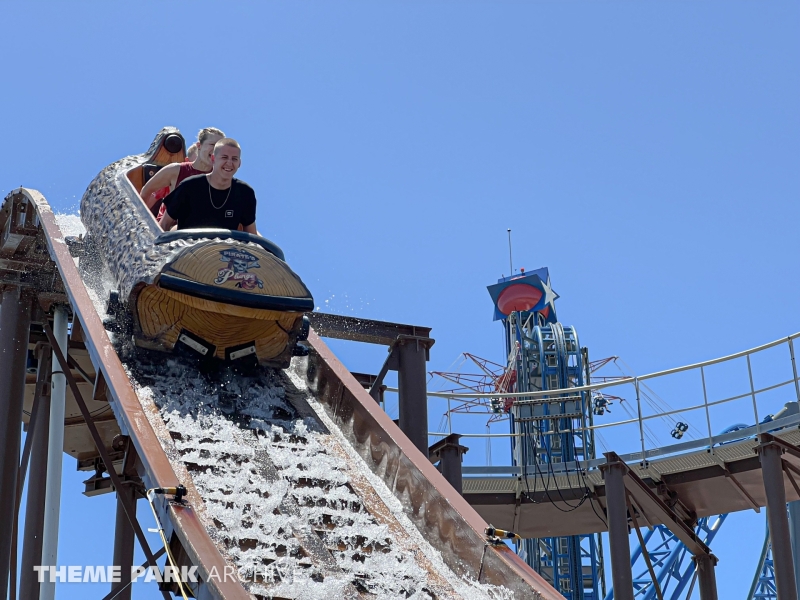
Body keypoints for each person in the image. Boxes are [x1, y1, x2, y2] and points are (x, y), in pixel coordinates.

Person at [160, 138, 258, 233]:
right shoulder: (189, 186)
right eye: (224, 157)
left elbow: (252, 236)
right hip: (187, 247)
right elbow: (164, 225)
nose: (229, 163)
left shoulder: (245, 193)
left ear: (239, 163)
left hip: (223, 248)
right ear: (213, 158)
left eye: (234, 159)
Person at [139, 127, 225, 216]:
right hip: (169, 227)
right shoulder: (175, 170)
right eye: (212, 145)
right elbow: (146, 191)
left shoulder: (222, 179)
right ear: (199, 146)